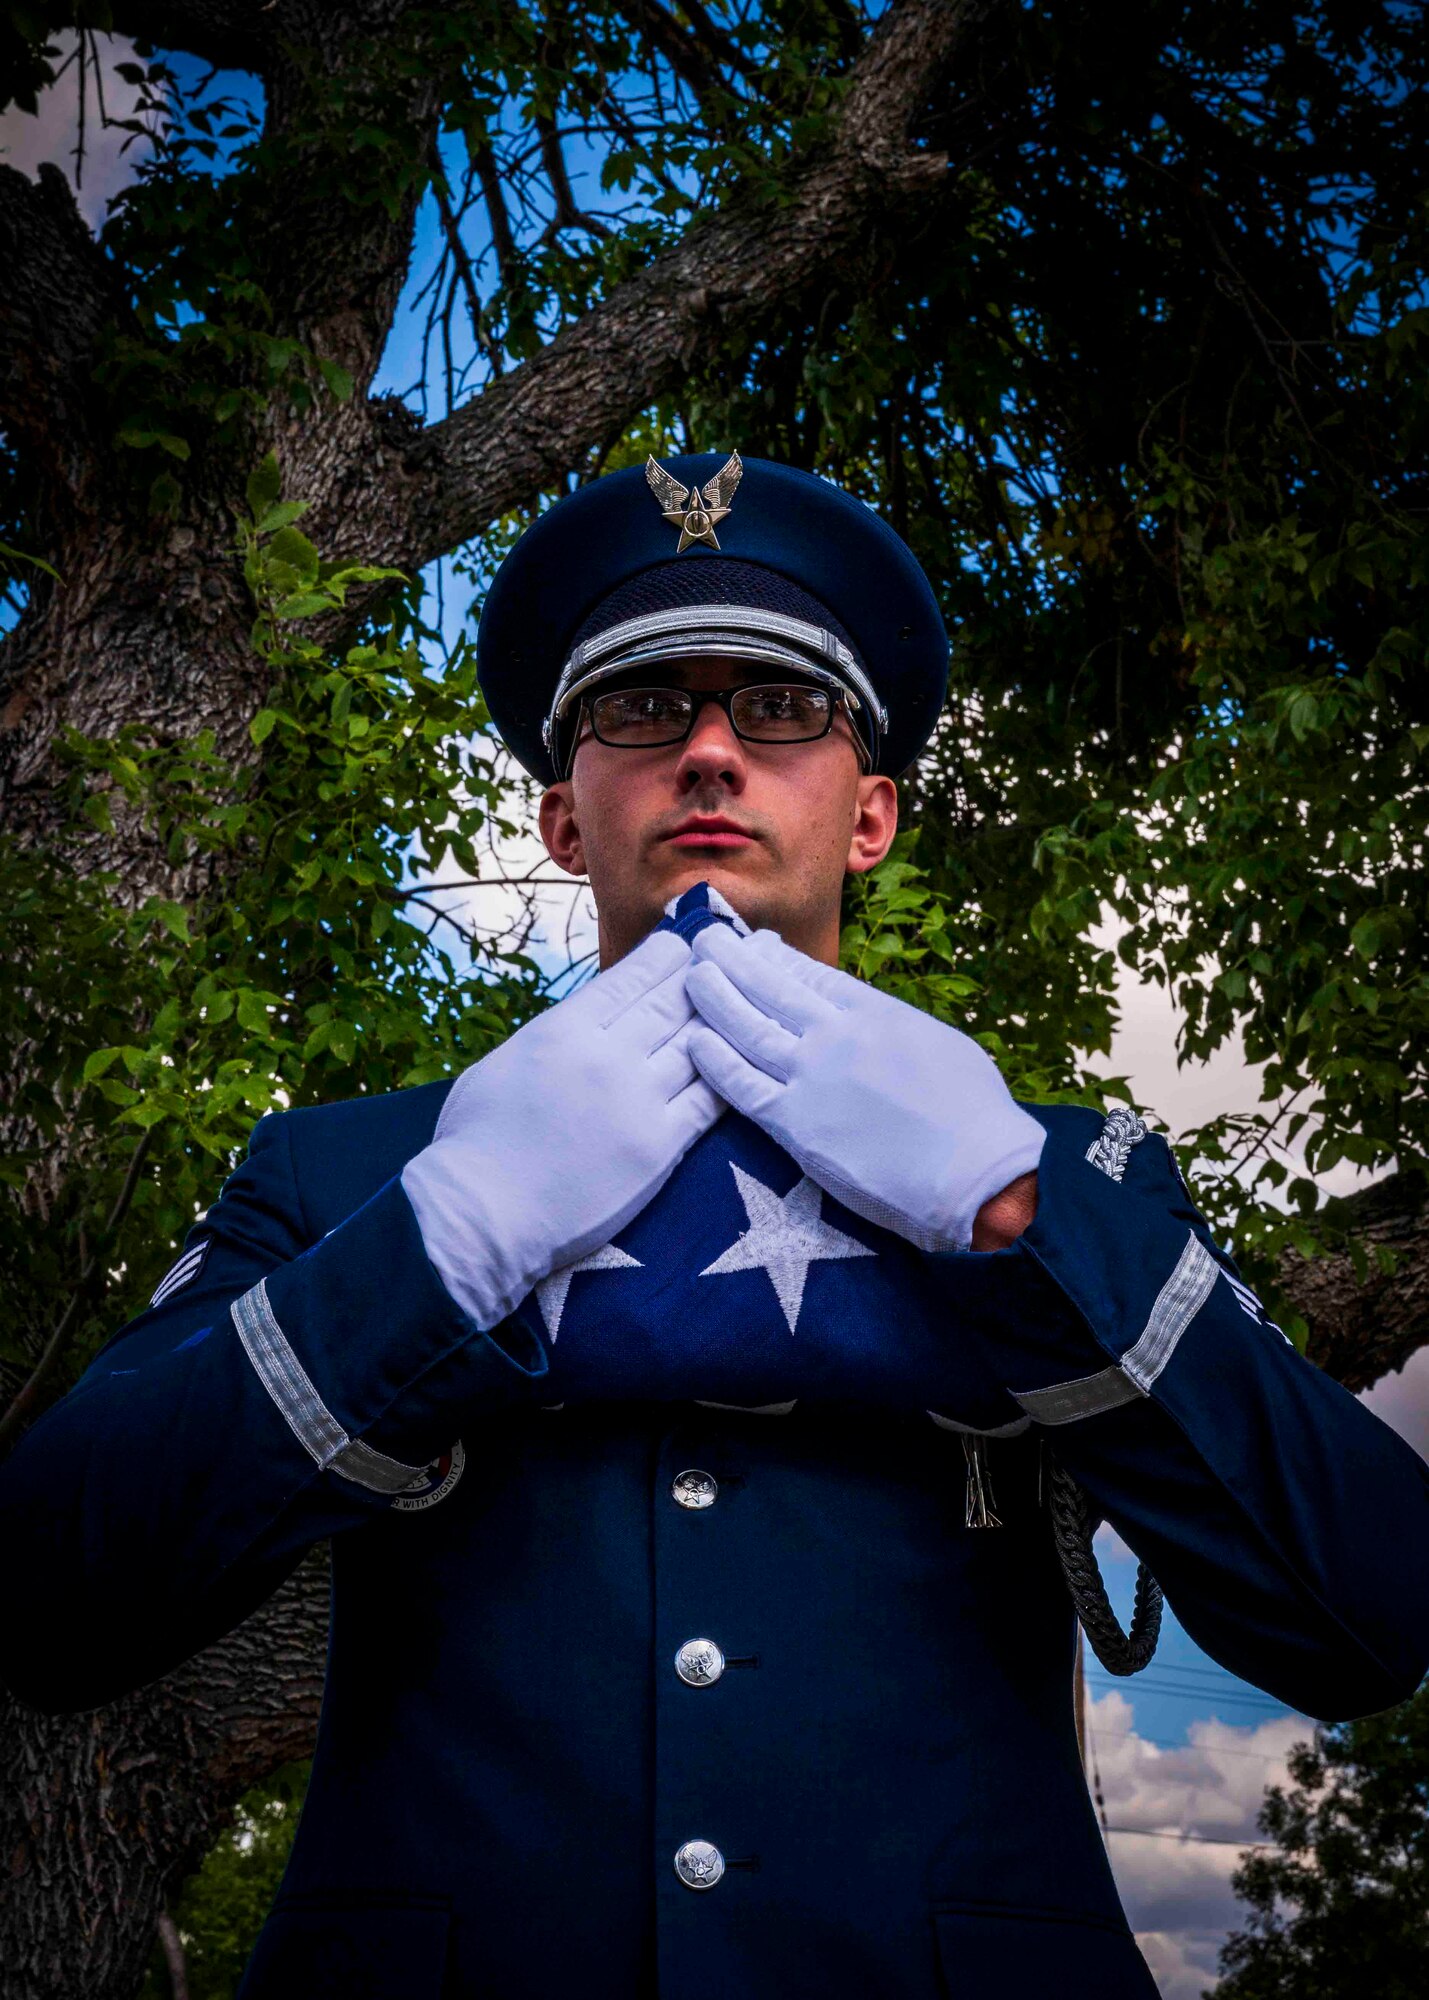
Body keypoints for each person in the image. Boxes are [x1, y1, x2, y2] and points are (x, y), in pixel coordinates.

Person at [2, 452, 1426, 2000]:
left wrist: (1018, 1213)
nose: (705, 752)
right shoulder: (348, 1175)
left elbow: (1365, 1613)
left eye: (780, 710)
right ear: (560, 814)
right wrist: (449, 1236)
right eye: (638, 710)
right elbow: (53, 1596)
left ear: (869, 814)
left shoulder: (1072, 1170)